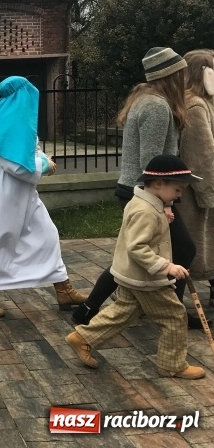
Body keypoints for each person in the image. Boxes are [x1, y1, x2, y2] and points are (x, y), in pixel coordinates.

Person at [73, 47, 203, 328]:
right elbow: (151, 161)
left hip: (141, 190)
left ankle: (89, 308)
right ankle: (171, 311)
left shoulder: (147, 100)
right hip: (148, 192)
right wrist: (165, 204)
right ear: (170, 75)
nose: (185, 78)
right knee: (180, 250)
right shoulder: (156, 106)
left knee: (137, 254)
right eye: (180, 73)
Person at [66, 154, 205, 380]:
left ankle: (83, 338)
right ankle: (172, 365)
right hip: (147, 278)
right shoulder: (146, 211)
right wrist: (166, 266)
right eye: (178, 190)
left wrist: (164, 213)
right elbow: (137, 247)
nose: (179, 196)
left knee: (123, 311)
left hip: (132, 274)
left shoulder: (144, 202)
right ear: (159, 184)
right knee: (174, 317)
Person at [0, 76, 86, 317]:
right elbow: (17, 166)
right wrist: (44, 164)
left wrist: (42, 159)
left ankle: (63, 287)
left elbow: (28, 151)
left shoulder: (13, 118)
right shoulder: (10, 121)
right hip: (6, 193)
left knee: (47, 234)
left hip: (22, 193)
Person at [176, 50, 214, 303]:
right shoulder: (195, 105)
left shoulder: (198, 102)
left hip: (197, 189)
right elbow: (202, 157)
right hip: (196, 193)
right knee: (193, 247)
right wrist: (209, 195)